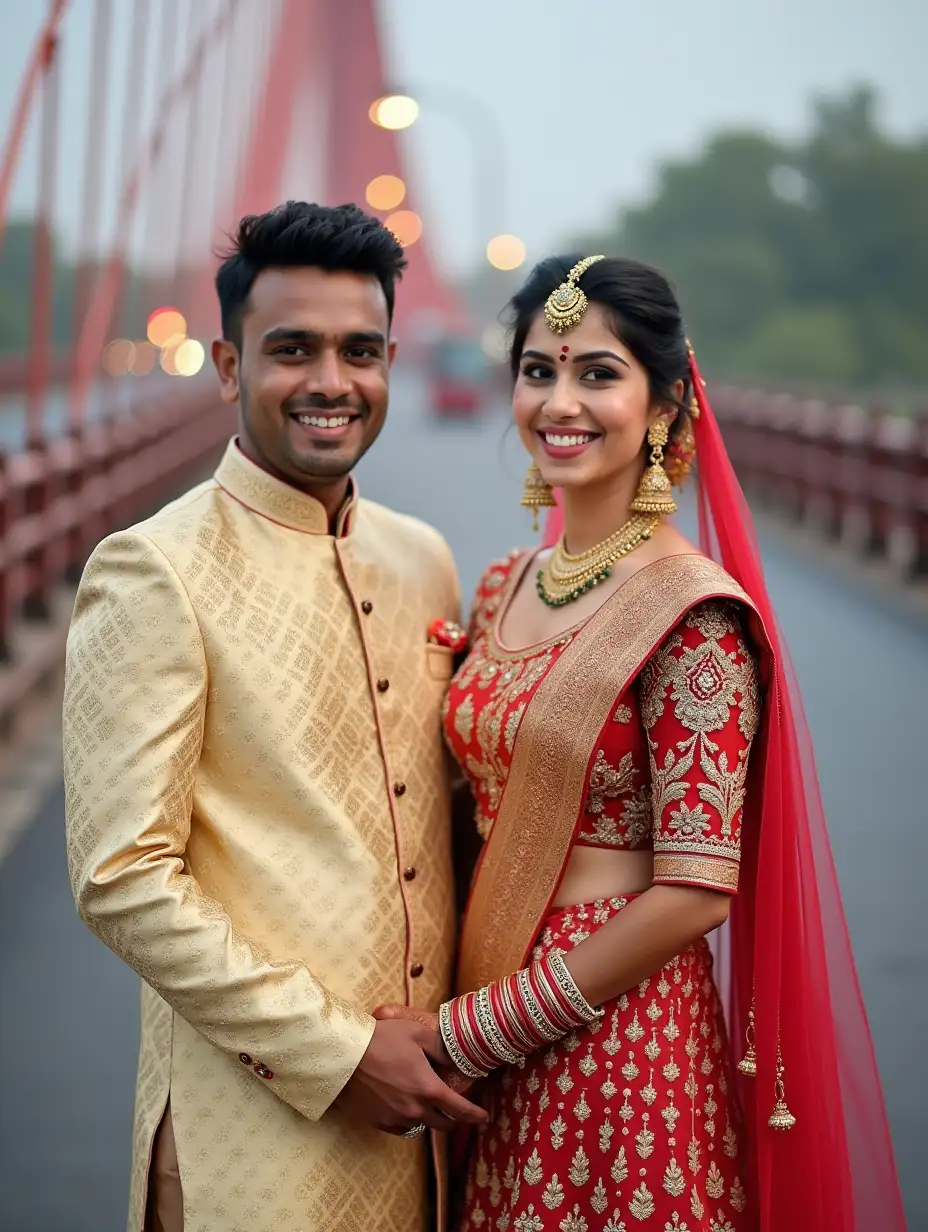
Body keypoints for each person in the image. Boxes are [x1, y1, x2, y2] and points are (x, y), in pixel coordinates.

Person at [377, 254, 905, 1230]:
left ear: (664, 404)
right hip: (486, 987)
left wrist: (476, 1027)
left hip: (616, 1037)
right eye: (538, 370)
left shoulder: (690, 616)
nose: (559, 401)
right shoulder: (503, 584)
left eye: (597, 373)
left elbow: (694, 889)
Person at [62, 200, 487, 1232]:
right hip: (254, 1134)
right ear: (227, 364)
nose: (331, 382)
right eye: (291, 349)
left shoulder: (420, 555)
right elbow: (119, 876)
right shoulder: (155, 569)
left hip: (435, 1121)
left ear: (390, 358)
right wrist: (336, 1052)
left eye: (359, 350)